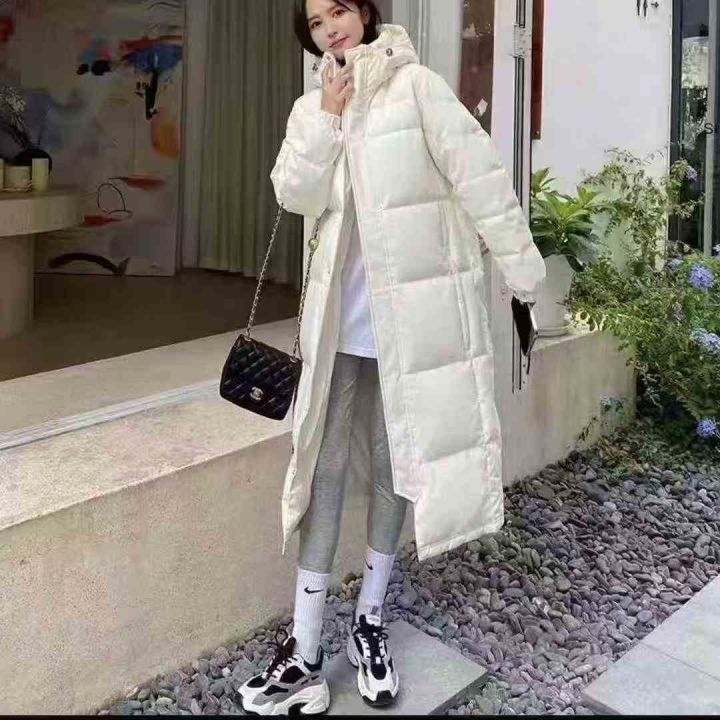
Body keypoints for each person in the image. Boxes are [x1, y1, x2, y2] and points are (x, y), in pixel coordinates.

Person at [235, 0, 546, 714]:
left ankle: (368, 622)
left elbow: (483, 180)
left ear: (366, 11)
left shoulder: (418, 88)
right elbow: (294, 193)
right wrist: (326, 115)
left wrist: (524, 277)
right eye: (317, 23)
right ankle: (305, 648)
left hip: (409, 329)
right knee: (322, 468)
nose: (331, 29)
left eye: (339, 10)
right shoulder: (311, 106)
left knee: (392, 465)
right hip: (337, 327)